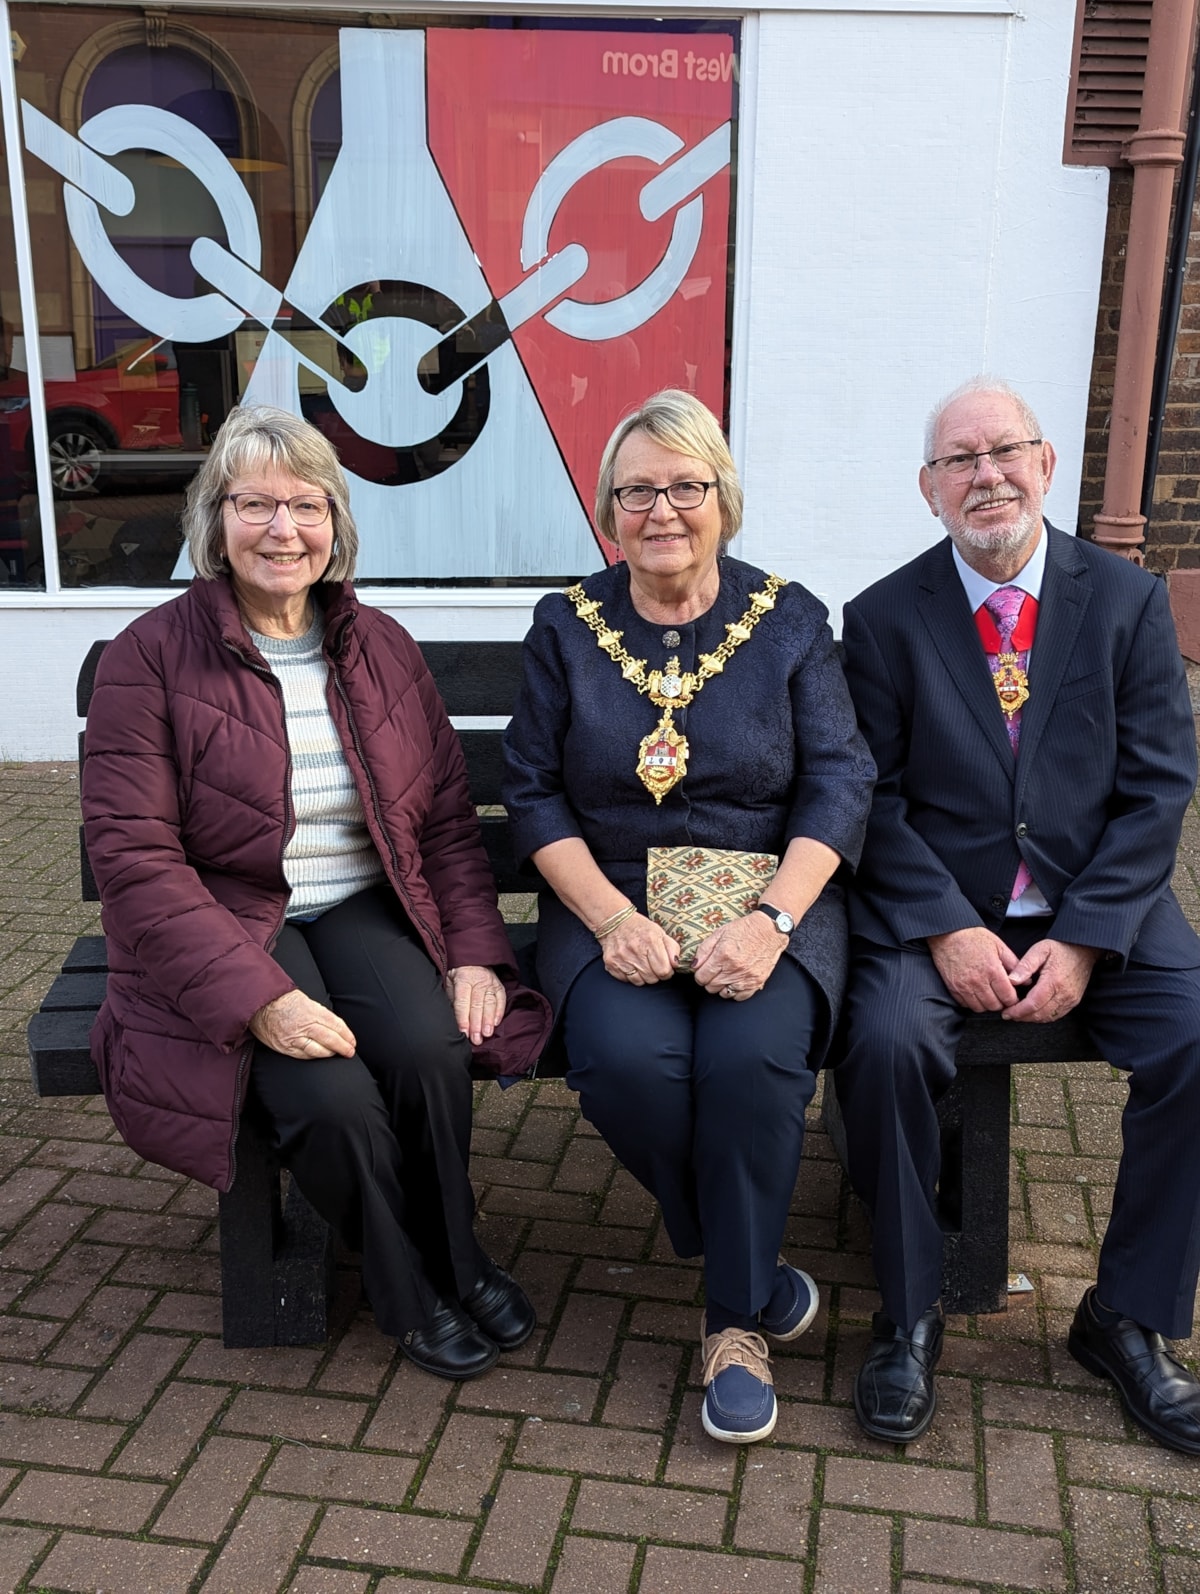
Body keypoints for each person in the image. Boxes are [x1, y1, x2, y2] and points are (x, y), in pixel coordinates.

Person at [81, 404, 550, 1380]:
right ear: (215, 520)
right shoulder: (149, 657)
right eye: (255, 504)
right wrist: (260, 998)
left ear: (335, 524)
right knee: (332, 1098)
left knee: (428, 1051)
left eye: (305, 505)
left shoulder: (378, 646)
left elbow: (448, 825)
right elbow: (134, 859)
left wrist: (473, 951)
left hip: (357, 903)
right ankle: (403, 1282)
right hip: (229, 920)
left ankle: (459, 1254)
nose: (282, 529)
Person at [836, 376, 1200, 1454]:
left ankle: (1125, 1316)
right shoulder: (884, 618)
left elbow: (1159, 786)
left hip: (1100, 904)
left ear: (1047, 466)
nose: (985, 474)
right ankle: (910, 1309)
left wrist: (1086, 935)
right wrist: (944, 924)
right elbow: (874, 798)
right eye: (959, 460)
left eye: (1005, 452)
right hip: (940, 908)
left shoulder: (1127, 603)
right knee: (885, 1041)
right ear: (928, 489)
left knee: (1195, 1038)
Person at [503, 390, 874, 1442]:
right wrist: (613, 918)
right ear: (609, 509)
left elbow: (840, 783)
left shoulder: (792, 620)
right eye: (637, 490)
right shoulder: (565, 627)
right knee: (629, 1066)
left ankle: (733, 1327)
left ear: (724, 498)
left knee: (748, 1067)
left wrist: (770, 921)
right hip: (608, 895)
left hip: (769, 894)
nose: (661, 509)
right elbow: (532, 791)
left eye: (685, 486)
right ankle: (750, 1258)